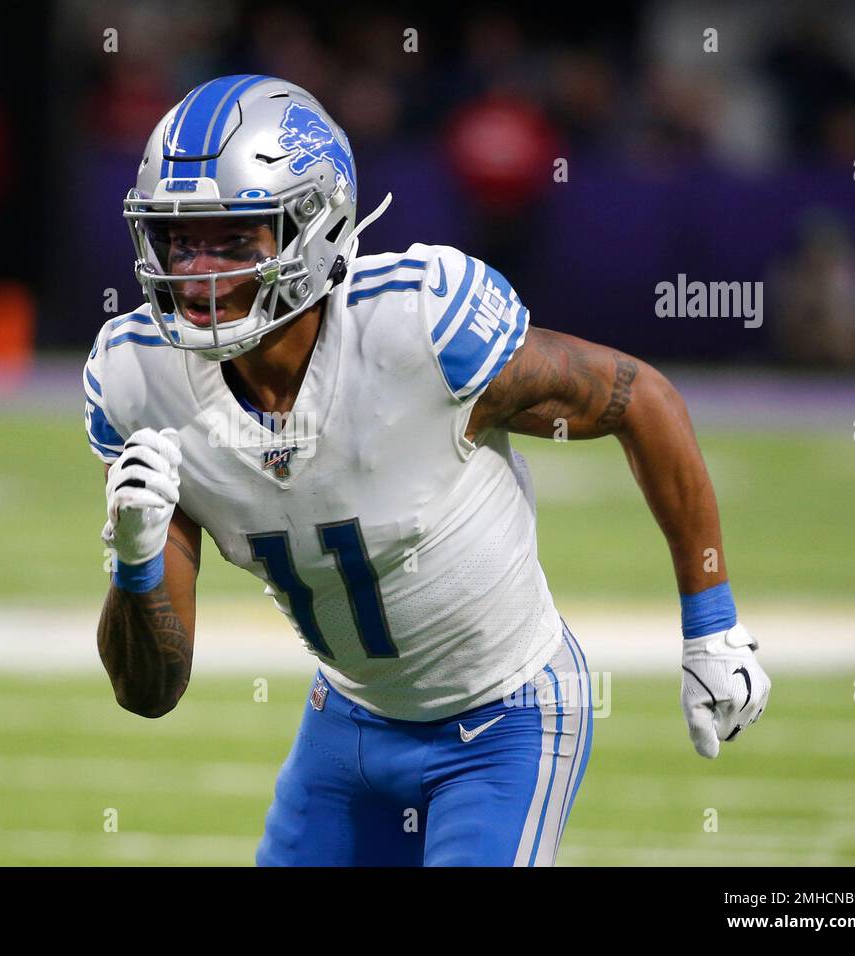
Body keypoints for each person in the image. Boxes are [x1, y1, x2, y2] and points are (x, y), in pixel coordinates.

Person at [83, 75, 770, 866]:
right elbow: (149, 694)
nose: (196, 274)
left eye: (232, 239)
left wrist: (712, 621)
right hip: (345, 722)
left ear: (313, 228)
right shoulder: (140, 376)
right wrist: (135, 562)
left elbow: (638, 398)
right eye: (178, 238)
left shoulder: (419, 328)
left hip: (505, 721)